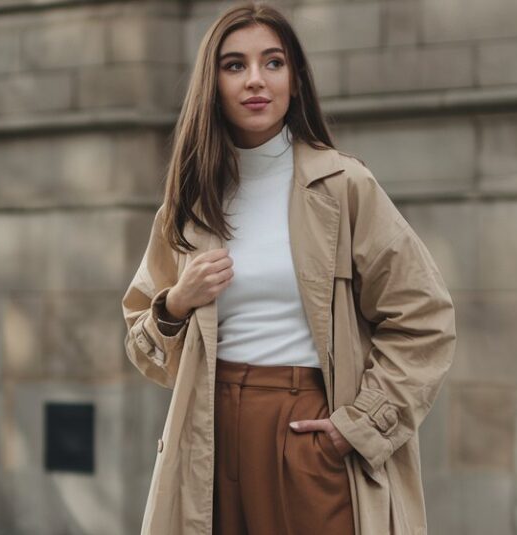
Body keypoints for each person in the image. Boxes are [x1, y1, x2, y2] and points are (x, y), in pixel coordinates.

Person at [121, 2, 457, 535]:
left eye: (272, 63)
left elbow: (426, 318)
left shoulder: (344, 186)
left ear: (295, 80)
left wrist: (359, 426)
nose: (255, 80)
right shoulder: (190, 205)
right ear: (212, 83)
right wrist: (176, 301)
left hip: (306, 432)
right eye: (235, 65)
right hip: (208, 434)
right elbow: (148, 351)